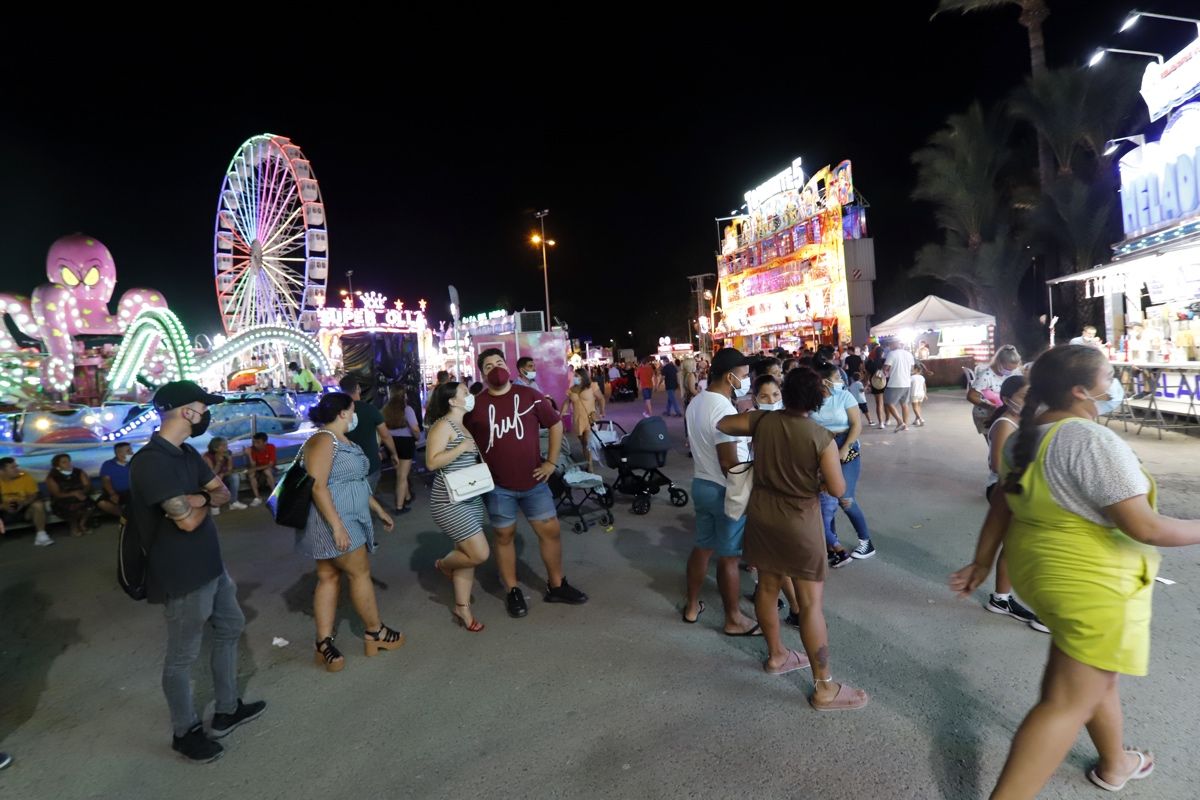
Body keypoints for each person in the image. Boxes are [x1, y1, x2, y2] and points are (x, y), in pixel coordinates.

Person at [951, 345, 1200, 796]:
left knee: (1094, 675)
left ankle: (1116, 762)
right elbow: (1145, 526)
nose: (1115, 385)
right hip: (1089, 586)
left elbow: (1000, 507)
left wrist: (982, 561)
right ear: (1081, 389)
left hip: (1042, 574)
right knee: (1064, 703)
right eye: (1109, 378)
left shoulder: (1027, 435)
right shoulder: (1089, 441)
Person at [717, 368, 869, 711]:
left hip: (763, 514)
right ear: (817, 399)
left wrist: (755, 415)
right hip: (799, 521)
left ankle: (776, 656)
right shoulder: (820, 437)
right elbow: (838, 488)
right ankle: (824, 688)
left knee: (768, 588)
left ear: (785, 394)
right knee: (811, 603)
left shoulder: (762, 421)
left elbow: (723, 425)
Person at [129, 380, 265, 763]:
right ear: (186, 411)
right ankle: (184, 730)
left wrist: (199, 497)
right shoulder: (152, 461)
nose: (207, 414)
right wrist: (202, 501)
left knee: (230, 626)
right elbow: (186, 523)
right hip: (180, 573)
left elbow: (222, 492)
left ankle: (226, 709)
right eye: (203, 407)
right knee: (182, 656)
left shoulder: (186, 452)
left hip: (211, 565)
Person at [465, 348, 588, 618]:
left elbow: (555, 425)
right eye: (487, 366)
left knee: (550, 531)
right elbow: (462, 438)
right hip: (497, 486)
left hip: (534, 482)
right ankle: (512, 590)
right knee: (504, 536)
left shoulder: (530, 396)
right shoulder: (474, 406)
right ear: (481, 373)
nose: (495, 368)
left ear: (508, 367)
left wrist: (551, 463)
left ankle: (557, 585)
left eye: (499, 362)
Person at [300, 392, 402, 672]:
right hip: (337, 519)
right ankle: (375, 632)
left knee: (329, 577)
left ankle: (323, 643)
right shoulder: (323, 440)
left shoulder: (340, 440)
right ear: (343, 412)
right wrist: (337, 526)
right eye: (353, 409)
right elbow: (318, 487)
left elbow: (354, 481)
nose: (355, 414)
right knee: (359, 574)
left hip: (347, 517)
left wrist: (379, 510)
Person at [680, 347, 760, 636]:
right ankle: (734, 618)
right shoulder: (723, 408)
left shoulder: (696, 402)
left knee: (702, 547)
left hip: (701, 484)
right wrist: (749, 488)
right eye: (743, 375)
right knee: (729, 557)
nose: (747, 380)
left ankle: (691, 606)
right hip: (724, 489)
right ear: (729, 377)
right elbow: (728, 462)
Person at [979, 375, 1047, 633]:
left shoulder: (1023, 420)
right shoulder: (1005, 424)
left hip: (1017, 488)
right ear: (1008, 400)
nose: (1031, 401)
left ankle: (1001, 599)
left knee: (1014, 547)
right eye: (1024, 397)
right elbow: (998, 464)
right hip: (1005, 489)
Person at [425, 381, 491, 632]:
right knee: (479, 553)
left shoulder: (463, 425)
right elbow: (431, 462)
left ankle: (462, 607)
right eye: (465, 393)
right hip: (449, 500)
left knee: (468, 557)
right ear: (452, 401)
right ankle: (443, 565)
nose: (470, 395)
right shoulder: (443, 426)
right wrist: (462, 447)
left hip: (470, 495)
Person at [810, 362, 875, 565]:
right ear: (824, 381)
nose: (841, 381)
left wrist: (845, 446)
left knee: (844, 497)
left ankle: (866, 542)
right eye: (837, 378)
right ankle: (832, 546)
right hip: (820, 448)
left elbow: (856, 424)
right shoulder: (811, 400)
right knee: (825, 499)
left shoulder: (844, 396)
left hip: (845, 445)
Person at [337, 375, 401, 493]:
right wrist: (394, 453)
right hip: (370, 464)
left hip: (346, 466)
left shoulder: (337, 412)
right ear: (358, 388)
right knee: (366, 498)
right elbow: (385, 435)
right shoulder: (370, 410)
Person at [968, 345, 1023, 435]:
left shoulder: (1015, 372)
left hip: (1006, 412)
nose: (1010, 372)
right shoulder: (985, 375)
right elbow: (971, 396)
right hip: (986, 414)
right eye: (1007, 369)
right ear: (998, 362)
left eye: (1013, 369)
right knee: (995, 440)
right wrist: (990, 406)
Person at [383, 387, 421, 513]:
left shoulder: (385, 410)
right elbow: (415, 429)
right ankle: (399, 507)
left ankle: (408, 496)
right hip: (405, 442)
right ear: (404, 396)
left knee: (399, 474)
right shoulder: (407, 409)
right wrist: (418, 438)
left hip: (391, 442)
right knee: (402, 476)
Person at [0, 457, 51, 546]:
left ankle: (41, 536)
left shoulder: (24, 475)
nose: (17, 469)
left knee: (38, 505)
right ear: (2, 471)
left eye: (17, 466)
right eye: (13, 468)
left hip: (24, 509)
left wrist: (23, 503)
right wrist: (3, 506)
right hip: (3, 512)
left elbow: (34, 494)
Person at [45, 454, 96, 537]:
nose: (68, 464)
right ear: (57, 465)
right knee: (71, 508)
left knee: (90, 505)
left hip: (80, 496)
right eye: (64, 462)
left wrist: (81, 492)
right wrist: (73, 494)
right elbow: (57, 494)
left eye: (69, 461)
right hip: (62, 500)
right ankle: (74, 527)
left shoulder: (78, 472)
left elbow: (87, 485)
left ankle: (82, 524)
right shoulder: (52, 477)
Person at [564, 367, 604, 470]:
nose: (575, 378)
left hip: (589, 418)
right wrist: (561, 414)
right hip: (577, 419)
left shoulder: (592, 386)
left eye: (577, 376)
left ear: (583, 376)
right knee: (583, 443)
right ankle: (588, 460)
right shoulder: (572, 389)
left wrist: (602, 411)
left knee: (587, 442)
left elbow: (601, 398)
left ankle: (590, 466)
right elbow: (567, 402)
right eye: (574, 376)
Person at [202, 438, 247, 515]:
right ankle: (214, 504)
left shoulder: (228, 453)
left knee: (234, 476)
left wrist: (229, 459)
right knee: (217, 479)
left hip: (223, 476)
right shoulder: (207, 456)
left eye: (226, 444)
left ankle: (233, 502)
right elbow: (211, 474)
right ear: (215, 448)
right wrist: (218, 463)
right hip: (210, 479)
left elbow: (230, 470)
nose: (226, 447)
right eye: (223, 445)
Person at [881, 341, 916, 431]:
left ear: (893, 345)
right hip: (907, 383)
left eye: (890, 345)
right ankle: (906, 425)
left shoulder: (892, 354)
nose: (889, 347)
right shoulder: (909, 354)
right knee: (904, 404)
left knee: (888, 402)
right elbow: (912, 369)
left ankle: (900, 422)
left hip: (895, 383)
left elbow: (886, 367)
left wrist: (884, 371)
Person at [97, 442, 134, 518]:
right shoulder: (108, 464)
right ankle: (125, 517)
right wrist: (112, 493)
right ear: (119, 453)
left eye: (131, 450)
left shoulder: (134, 462)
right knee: (102, 503)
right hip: (115, 492)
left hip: (132, 491)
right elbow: (106, 480)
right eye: (128, 450)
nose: (132, 452)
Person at [245, 432, 277, 507]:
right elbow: (253, 465)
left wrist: (255, 469)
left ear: (265, 442)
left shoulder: (271, 447)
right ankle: (257, 497)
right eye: (254, 442)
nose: (255, 444)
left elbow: (270, 464)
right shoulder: (252, 449)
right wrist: (249, 454)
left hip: (269, 469)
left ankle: (275, 494)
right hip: (258, 470)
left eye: (258, 442)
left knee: (267, 471)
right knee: (251, 475)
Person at [865, 346, 887, 427]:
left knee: (878, 403)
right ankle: (887, 419)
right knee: (887, 403)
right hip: (885, 382)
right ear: (882, 353)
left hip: (875, 383)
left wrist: (866, 383)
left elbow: (867, 374)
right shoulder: (884, 361)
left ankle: (881, 422)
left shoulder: (870, 362)